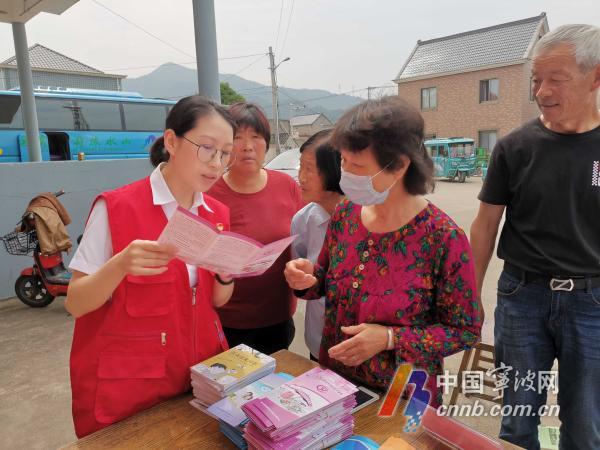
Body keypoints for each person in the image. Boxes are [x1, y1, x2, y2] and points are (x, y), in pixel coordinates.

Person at [285, 96, 483, 406]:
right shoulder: (346, 214)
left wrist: (390, 338)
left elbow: (465, 331)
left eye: (357, 165)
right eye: (343, 162)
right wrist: (307, 278)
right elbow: (325, 279)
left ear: (400, 165)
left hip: (402, 393)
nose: (346, 173)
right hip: (336, 382)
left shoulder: (443, 238)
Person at [65, 96, 237, 438]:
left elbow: (216, 301)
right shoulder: (117, 207)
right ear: (171, 141)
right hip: (130, 386)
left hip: (199, 376)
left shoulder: (216, 214)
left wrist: (226, 272)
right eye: (206, 148)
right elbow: (76, 303)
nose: (216, 164)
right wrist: (119, 266)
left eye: (225, 153)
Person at [470, 24, 600, 450]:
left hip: (592, 302)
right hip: (521, 296)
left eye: (555, 79)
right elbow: (485, 225)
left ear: (596, 77)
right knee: (518, 420)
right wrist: (471, 296)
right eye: (536, 80)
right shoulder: (514, 147)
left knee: (586, 425)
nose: (542, 91)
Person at [208, 102, 303, 355]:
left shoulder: (287, 185)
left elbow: (303, 242)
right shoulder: (208, 193)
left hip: (278, 317)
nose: (248, 146)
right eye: (238, 137)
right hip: (227, 319)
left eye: (256, 137)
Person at [290, 129, 344, 361]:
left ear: (335, 170)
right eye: (300, 167)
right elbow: (307, 279)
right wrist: (298, 277)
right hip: (318, 342)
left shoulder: (370, 218)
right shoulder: (303, 220)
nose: (301, 177)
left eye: (309, 169)